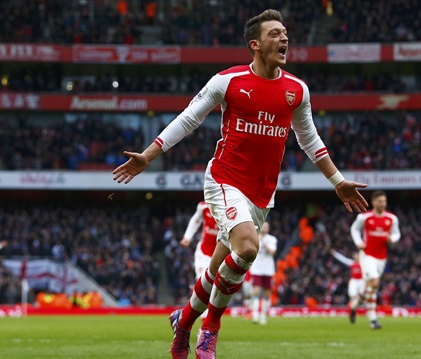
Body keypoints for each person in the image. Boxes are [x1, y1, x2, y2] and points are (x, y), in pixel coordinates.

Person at [113, 9, 368, 359]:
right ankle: (210, 329)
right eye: (275, 34)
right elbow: (189, 119)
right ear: (256, 44)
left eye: (285, 32)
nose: (284, 38)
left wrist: (337, 181)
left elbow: (310, 140)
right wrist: (148, 155)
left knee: (219, 268)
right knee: (248, 247)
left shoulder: (297, 90)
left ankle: (183, 323)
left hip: (262, 192)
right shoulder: (228, 81)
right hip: (224, 178)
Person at [350, 190, 400, 330]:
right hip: (367, 255)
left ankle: (354, 305)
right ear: (373, 202)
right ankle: (372, 319)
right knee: (375, 282)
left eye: (384, 201)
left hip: (381, 257)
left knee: (370, 286)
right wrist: (358, 242)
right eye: (380, 201)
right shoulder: (365, 217)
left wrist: (393, 239)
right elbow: (354, 229)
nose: (382, 204)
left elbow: (397, 233)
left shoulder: (391, 218)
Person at [180, 201, 220, 280]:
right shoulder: (204, 206)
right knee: (202, 283)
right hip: (204, 254)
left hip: (222, 256)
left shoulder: (231, 210)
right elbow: (196, 220)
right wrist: (187, 237)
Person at [249, 222, 277, 325]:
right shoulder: (254, 237)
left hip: (268, 269)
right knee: (256, 291)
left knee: (266, 293)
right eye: (263, 226)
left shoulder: (272, 239)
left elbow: (272, 252)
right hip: (257, 268)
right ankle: (255, 314)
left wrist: (263, 242)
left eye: (266, 226)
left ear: (268, 228)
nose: (264, 228)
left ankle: (263, 315)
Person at [329, 248, 364, 324]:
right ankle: (353, 312)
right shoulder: (351, 263)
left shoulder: (363, 263)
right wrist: (335, 254)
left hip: (361, 281)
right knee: (352, 297)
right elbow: (343, 259)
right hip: (354, 281)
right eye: (355, 255)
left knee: (361, 298)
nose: (356, 256)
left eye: (357, 255)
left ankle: (357, 310)